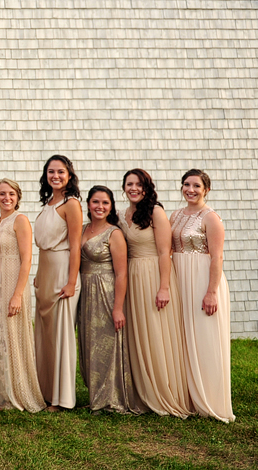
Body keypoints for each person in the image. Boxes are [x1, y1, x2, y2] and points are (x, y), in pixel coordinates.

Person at [120, 169, 193, 418]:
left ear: (146, 187)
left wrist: (164, 287)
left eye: (138, 184)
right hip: (132, 276)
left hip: (153, 275)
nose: (133, 188)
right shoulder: (124, 214)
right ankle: (141, 392)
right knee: (138, 332)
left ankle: (164, 392)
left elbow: (165, 252)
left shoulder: (155, 212)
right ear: (124, 187)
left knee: (156, 332)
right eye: (129, 184)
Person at [170, 169, 234, 423]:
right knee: (184, 337)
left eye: (196, 185)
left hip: (202, 281)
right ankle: (187, 396)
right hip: (180, 279)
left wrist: (211, 292)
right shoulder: (175, 215)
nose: (190, 190)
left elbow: (217, 257)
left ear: (206, 189)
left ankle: (211, 400)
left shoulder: (211, 218)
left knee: (206, 338)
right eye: (186, 184)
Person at [78, 186, 145, 414]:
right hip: (85, 291)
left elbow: (122, 273)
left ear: (111, 206)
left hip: (106, 291)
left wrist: (118, 308)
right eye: (96, 202)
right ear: (88, 204)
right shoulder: (82, 229)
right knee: (89, 343)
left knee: (106, 343)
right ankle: (95, 394)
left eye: (105, 203)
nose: (100, 207)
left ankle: (111, 397)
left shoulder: (114, 233)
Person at [0, 179, 45, 412]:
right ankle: (1, 392)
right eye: (2, 194)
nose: (6, 198)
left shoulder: (20, 220)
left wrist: (17, 294)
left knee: (12, 335)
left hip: (13, 281)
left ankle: (18, 392)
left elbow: (27, 259)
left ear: (17, 197)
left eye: (11, 194)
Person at [33, 154, 82, 411]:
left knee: (61, 334)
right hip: (46, 270)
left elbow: (75, 246)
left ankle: (62, 398)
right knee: (45, 334)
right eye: (51, 172)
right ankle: (45, 390)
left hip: (64, 271)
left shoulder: (71, 204)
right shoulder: (48, 203)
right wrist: (39, 276)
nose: (56, 176)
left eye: (61, 172)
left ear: (69, 175)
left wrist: (72, 282)